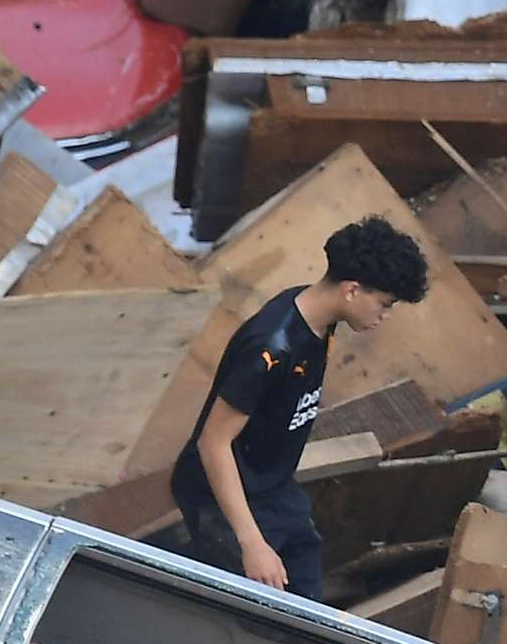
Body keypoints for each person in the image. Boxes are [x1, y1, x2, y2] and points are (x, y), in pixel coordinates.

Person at [170, 215, 429, 600]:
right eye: (384, 304)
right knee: (259, 608)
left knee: (306, 590)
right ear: (352, 290)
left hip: (272, 485)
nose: (384, 316)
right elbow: (213, 443)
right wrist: (251, 544)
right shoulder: (271, 348)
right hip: (223, 494)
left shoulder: (321, 321)